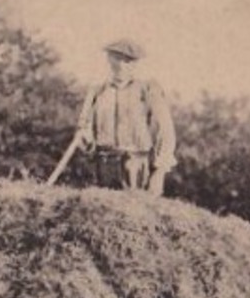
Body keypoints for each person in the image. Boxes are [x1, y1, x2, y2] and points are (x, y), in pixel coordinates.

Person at [73, 39, 177, 195]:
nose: (121, 65)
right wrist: (85, 139)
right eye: (116, 58)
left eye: (127, 61)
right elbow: (84, 126)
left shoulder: (148, 89)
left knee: (134, 214)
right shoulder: (97, 90)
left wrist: (159, 172)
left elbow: (166, 130)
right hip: (103, 165)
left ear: (135, 64)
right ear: (108, 59)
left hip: (135, 164)